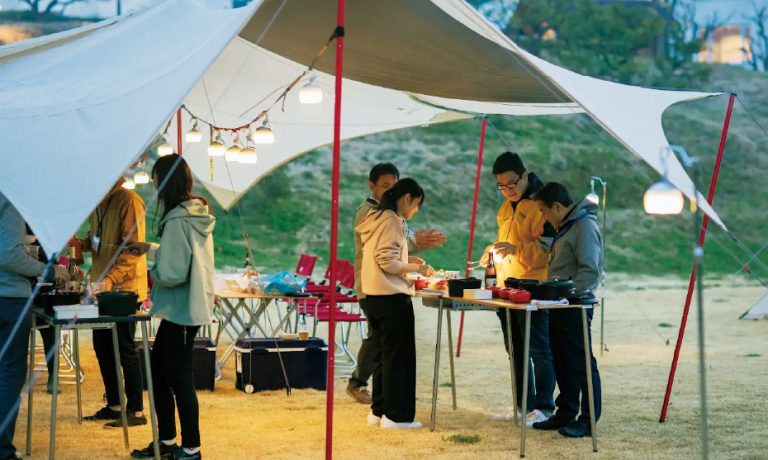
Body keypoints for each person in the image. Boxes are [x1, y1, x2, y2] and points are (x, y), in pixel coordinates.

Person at [127, 154, 215, 460]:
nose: (153, 184)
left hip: (180, 311)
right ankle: (166, 443)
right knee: (161, 373)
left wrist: (153, 269)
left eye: (155, 178)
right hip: (185, 310)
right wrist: (153, 248)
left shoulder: (178, 219)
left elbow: (174, 272)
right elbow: (180, 255)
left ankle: (190, 448)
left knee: (177, 378)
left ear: (165, 182)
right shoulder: (193, 214)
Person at [347, 163, 445, 404]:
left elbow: (388, 250)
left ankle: (378, 401)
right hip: (379, 288)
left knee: (381, 343)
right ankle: (360, 383)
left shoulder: (385, 215)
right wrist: (413, 263)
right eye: (385, 186)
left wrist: (406, 254)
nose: (389, 190)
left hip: (375, 285)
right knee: (380, 343)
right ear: (372, 186)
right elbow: (383, 255)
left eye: (393, 185)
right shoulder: (379, 214)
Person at [355, 178, 433, 429]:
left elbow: (386, 255)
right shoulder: (392, 220)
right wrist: (415, 267)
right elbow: (386, 260)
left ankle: (379, 411)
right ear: (407, 198)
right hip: (391, 297)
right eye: (417, 204)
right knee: (398, 359)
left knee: (383, 357)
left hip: (375, 296)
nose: (416, 211)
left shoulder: (377, 218)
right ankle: (397, 416)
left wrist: (409, 260)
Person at [486, 152, 557, 426]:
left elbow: (547, 250)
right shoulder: (505, 208)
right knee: (515, 348)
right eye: (501, 186)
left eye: (512, 184)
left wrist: (516, 250)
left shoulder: (541, 205)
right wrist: (491, 253)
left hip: (534, 286)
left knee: (539, 348)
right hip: (506, 287)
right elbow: (505, 242)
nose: (507, 190)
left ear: (525, 175)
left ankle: (544, 407)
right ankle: (522, 404)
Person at [531, 182, 602, 438]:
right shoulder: (566, 226)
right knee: (561, 360)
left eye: (544, 210)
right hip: (559, 304)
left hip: (575, 305)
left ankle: (588, 419)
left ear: (557, 206)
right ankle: (566, 411)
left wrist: (568, 296)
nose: (543, 216)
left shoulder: (583, 225)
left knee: (581, 363)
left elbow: (590, 270)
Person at [1, 191, 67, 460]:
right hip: (9, 299)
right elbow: (8, 254)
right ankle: (3, 449)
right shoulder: (9, 200)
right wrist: (46, 270)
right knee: (8, 376)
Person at [78, 178, 149, 428]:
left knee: (124, 347)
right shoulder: (98, 202)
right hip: (102, 286)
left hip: (124, 288)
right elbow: (98, 238)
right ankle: (115, 405)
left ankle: (137, 411)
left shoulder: (129, 201)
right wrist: (82, 244)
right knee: (102, 346)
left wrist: (111, 278)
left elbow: (134, 249)